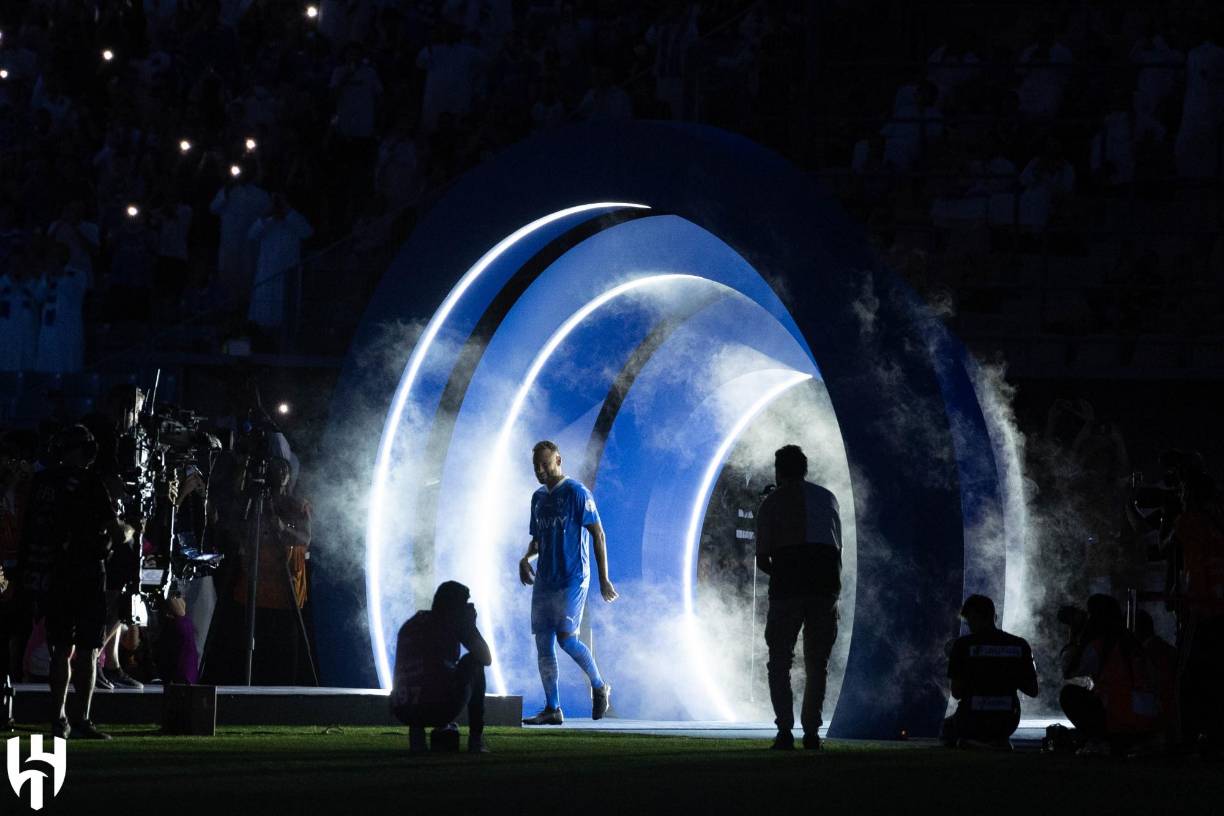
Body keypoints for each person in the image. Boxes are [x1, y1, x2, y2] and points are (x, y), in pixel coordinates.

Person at [20, 425, 132, 739]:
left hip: (52, 574)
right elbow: (116, 531)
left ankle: (58, 719)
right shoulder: (90, 482)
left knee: (60, 649)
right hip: (85, 574)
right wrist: (132, 527)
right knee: (87, 651)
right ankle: (81, 719)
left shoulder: (42, 482)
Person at [518, 440, 617, 725]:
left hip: (573, 577)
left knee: (566, 637)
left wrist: (604, 579)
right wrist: (526, 558)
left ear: (558, 461)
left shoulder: (576, 492)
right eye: (536, 466)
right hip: (546, 580)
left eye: (545, 465)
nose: (540, 471)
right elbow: (538, 538)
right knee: (544, 643)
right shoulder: (538, 498)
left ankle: (599, 686)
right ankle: (553, 708)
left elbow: (598, 534)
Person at [755, 444, 841, 751]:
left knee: (780, 660)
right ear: (805, 468)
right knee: (817, 663)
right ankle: (812, 733)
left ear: (779, 471)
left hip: (788, 588)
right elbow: (837, 546)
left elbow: (762, 557)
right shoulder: (828, 498)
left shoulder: (772, 503)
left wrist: (781, 571)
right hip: (825, 588)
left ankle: (784, 731)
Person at [391, 581, 491, 753]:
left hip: (402, 706)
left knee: (425, 675)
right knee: (474, 663)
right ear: (455, 607)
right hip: (437, 706)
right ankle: (476, 739)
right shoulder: (452, 623)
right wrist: (470, 626)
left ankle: (416, 737)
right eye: (465, 603)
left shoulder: (412, 623)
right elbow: (486, 658)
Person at [1059, 594, 1162, 755]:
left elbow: (1069, 671)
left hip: (1119, 723)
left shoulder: (1100, 646)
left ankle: (1100, 741)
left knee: (1069, 694)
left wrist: (1075, 637)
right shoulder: (1133, 643)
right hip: (1148, 724)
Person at [941, 594, 1038, 749]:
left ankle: (974, 742)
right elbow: (1033, 690)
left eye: (969, 621)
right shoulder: (1020, 645)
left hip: (971, 718)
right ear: (995, 616)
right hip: (1007, 720)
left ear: (974, 616)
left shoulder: (962, 646)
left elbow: (956, 692)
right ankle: (995, 742)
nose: (969, 627)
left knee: (948, 728)